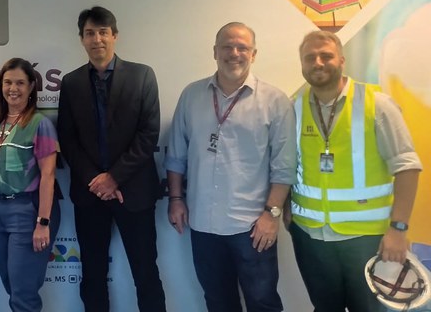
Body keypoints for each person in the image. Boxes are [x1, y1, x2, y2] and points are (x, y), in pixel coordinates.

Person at [165, 21, 296, 312]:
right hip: (203, 225)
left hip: (252, 227)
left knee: (262, 303)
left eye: (242, 47)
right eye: (227, 46)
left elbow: (284, 167)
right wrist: (176, 198)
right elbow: (176, 156)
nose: (234, 53)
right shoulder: (191, 95)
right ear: (215, 51)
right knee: (218, 303)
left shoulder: (274, 101)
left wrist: (271, 215)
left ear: (254, 54)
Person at [288, 30, 422, 312]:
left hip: (367, 239)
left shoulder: (378, 105)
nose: (318, 62)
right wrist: (287, 213)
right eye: (310, 57)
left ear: (342, 60)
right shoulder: (294, 108)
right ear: (302, 64)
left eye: (326, 55)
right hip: (311, 238)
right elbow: (286, 165)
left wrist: (398, 230)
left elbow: (407, 167)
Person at [57, 6, 166, 312]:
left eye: (103, 32)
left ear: (115, 36)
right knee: (92, 275)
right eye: (90, 33)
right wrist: (97, 181)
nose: (97, 39)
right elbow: (68, 138)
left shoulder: (143, 75)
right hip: (90, 194)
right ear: (81, 39)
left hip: (134, 192)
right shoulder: (72, 82)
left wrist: (114, 177)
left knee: (146, 274)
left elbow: (149, 133)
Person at [0, 58, 61, 312]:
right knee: (11, 286)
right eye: (7, 82)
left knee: (23, 293)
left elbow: (48, 176)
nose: (13, 88)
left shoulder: (40, 124)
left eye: (19, 83)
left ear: (30, 88)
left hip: (27, 212)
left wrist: (43, 222)